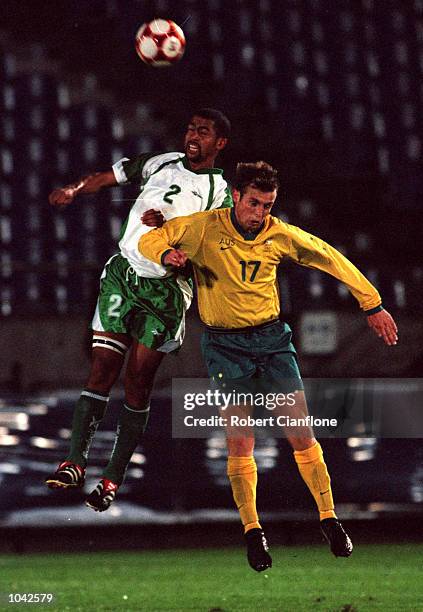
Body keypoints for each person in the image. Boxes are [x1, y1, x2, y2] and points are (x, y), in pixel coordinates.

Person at [139, 160, 398, 571]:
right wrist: (167, 252)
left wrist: (372, 303)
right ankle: (253, 532)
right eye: (254, 203)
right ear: (236, 197)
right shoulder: (204, 227)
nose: (260, 213)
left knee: (301, 433)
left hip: (272, 341)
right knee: (241, 442)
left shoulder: (279, 234)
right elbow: (151, 237)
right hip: (225, 346)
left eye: (268, 205)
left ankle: (330, 519)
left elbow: (329, 257)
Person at [45, 108, 233, 512]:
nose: (192, 135)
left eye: (203, 131)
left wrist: (175, 237)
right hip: (124, 275)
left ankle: (112, 476)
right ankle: (74, 462)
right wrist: (75, 189)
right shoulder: (159, 162)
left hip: (166, 292)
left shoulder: (221, 192)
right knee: (100, 370)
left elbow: (215, 246)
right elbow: (106, 177)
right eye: (189, 127)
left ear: (220, 143)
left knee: (137, 382)